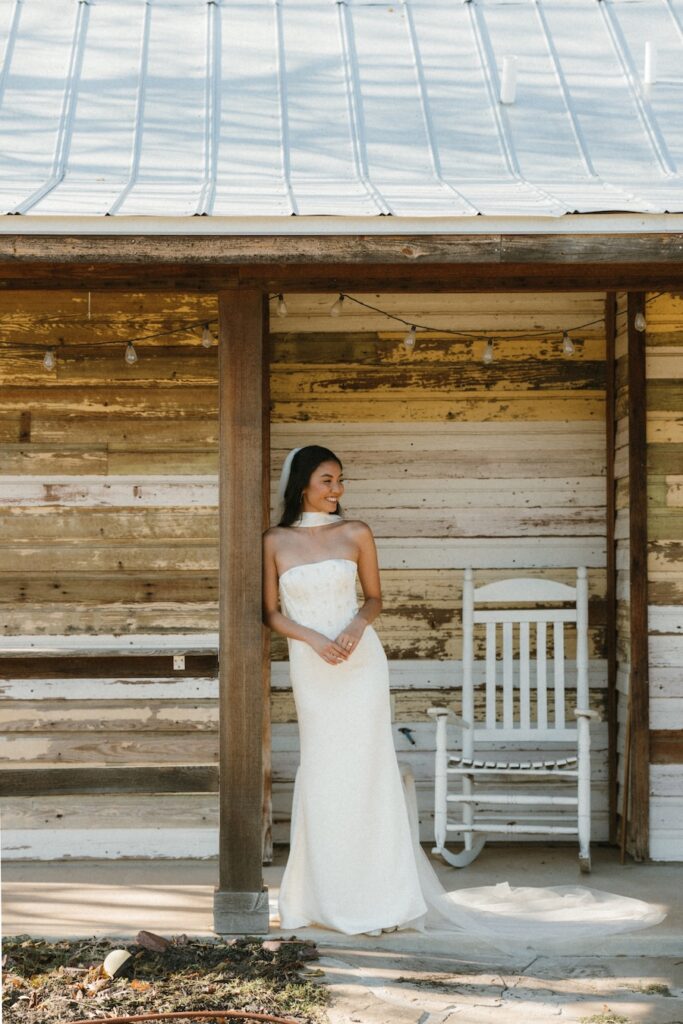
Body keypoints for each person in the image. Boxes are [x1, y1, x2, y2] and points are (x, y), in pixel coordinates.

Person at [263, 445, 666, 949]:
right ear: (303, 482)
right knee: (323, 769)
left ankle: (382, 897)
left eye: (341, 480)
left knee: (369, 769)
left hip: (360, 663)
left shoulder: (356, 532)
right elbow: (271, 612)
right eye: (328, 480)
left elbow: (375, 598)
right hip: (312, 664)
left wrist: (352, 629)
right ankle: (318, 897)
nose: (338, 490)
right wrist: (315, 639)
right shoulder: (274, 541)